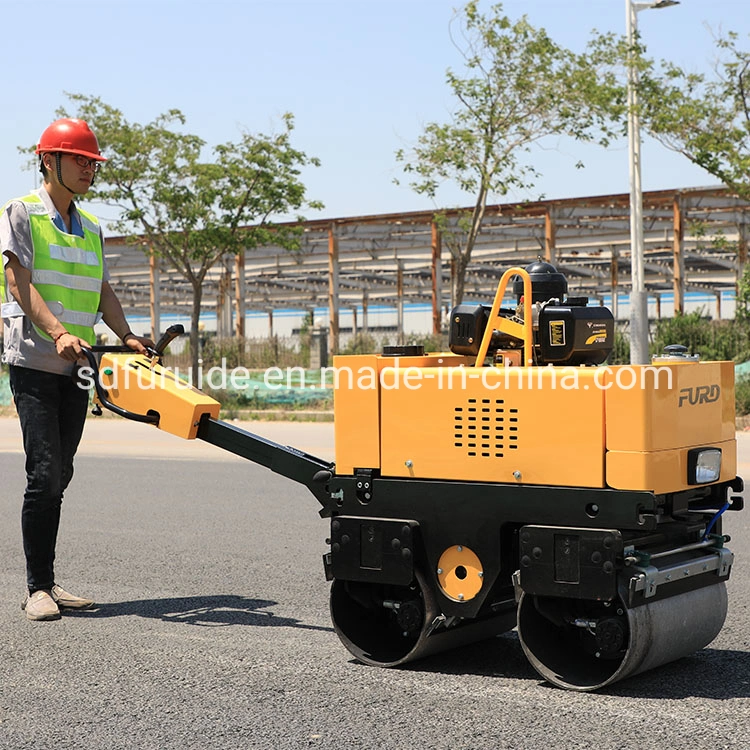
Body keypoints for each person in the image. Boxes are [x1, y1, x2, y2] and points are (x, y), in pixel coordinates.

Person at [0, 118, 153, 621]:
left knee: (61, 472)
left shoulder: (91, 227)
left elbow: (102, 290)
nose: (90, 169)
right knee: (44, 474)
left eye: (93, 163)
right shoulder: (21, 214)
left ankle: (48, 580)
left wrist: (127, 335)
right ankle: (37, 589)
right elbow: (20, 285)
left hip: (79, 367)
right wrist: (59, 331)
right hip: (36, 360)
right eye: (80, 160)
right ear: (49, 159)